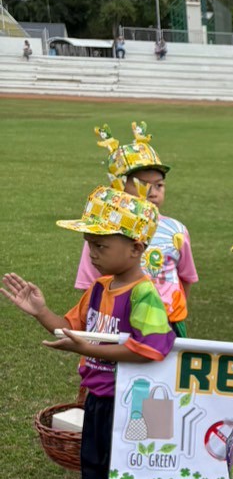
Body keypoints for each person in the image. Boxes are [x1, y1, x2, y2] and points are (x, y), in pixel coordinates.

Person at [2, 181, 177, 479]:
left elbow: (153, 347)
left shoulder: (144, 293)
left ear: (136, 248)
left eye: (101, 245)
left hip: (140, 405)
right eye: (89, 245)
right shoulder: (99, 288)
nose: (92, 253)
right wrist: (40, 311)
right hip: (101, 399)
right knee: (101, 474)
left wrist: (89, 348)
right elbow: (71, 330)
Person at [76, 121, 198, 336]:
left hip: (167, 324)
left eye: (159, 185)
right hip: (118, 323)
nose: (153, 192)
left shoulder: (176, 231)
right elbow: (90, 287)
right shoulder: (101, 232)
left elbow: (186, 277)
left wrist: (173, 311)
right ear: (118, 186)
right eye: (142, 184)